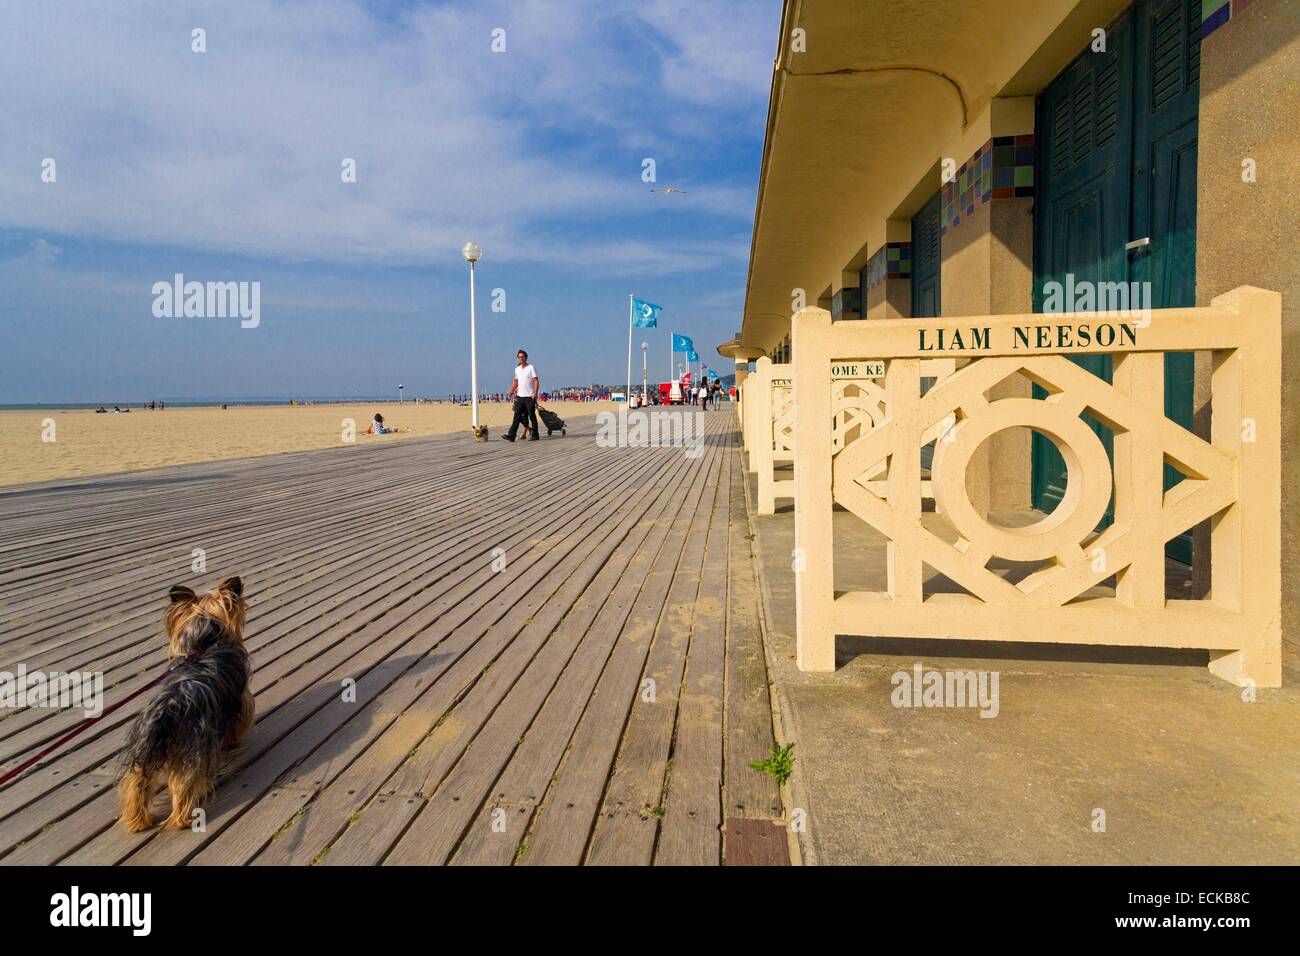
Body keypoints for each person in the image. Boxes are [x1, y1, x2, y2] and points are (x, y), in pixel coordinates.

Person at [503, 349, 540, 443]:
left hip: (529, 396)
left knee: (532, 415)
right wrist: (511, 390)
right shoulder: (517, 369)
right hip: (519, 396)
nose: (521, 359)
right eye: (519, 357)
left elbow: (536, 380)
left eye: (522, 357)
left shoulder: (531, 367)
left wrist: (535, 393)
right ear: (518, 358)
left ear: (526, 358)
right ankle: (511, 435)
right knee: (517, 416)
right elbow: (516, 381)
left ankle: (535, 434)